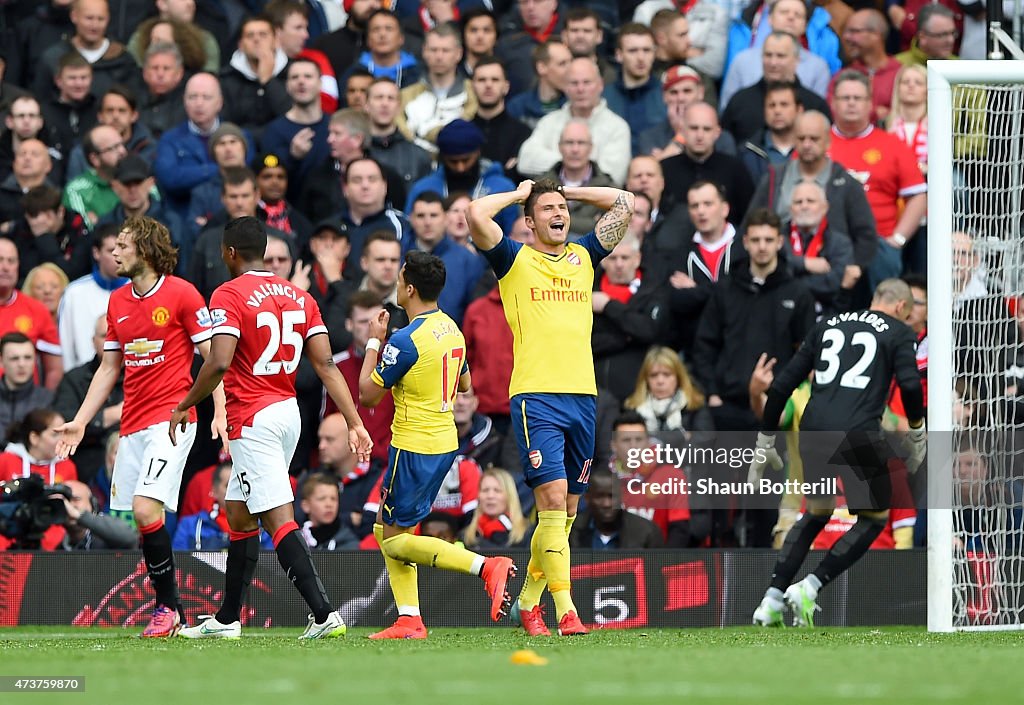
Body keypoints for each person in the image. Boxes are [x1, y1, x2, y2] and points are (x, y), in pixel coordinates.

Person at [171, 215, 372, 640]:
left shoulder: (227, 294)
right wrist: (354, 421)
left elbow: (220, 361)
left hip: (253, 418)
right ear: (262, 251)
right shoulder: (299, 296)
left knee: (278, 518)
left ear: (228, 253)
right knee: (240, 515)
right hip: (287, 413)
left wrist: (185, 403)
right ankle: (227, 618)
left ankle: (323, 613)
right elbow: (326, 364)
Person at [468, 177, 635, 636]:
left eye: (562, 208)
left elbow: (626, 204)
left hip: (583, 396)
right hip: (536, 396)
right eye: (547, 209)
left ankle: (527, 602)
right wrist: (522, 194)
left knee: (566, 513)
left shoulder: (583, 256)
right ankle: (567, 611)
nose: (558, 214)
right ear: (529, 222)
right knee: (553, 501)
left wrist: (571, 191)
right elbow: (475, 215)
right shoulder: (514, 260)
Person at [55, 215, 227, 639]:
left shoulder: (183, 294)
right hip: (132, 423)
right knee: (139, 520)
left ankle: (167, 608)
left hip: (172, 419)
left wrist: (219, 410)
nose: (113, 252)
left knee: (146, 509)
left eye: (122, 246)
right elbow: (109, 368)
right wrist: (80, 419)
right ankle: (171, 609)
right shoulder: (117, 302)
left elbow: (211, 359)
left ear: (146, 250)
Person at [357, 250, 516, 639]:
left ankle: (484, 567)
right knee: (389, 529)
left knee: (393, 541)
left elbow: (367, 395)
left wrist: (374, 344)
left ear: (409, 288)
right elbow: (464, 385)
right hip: (445, 441)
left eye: (399, 279)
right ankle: (408, 618)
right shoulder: (452, 328)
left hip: (414, 444)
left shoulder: (405, 340)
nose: (396, 284)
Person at [750, 278, 926, 627]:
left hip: (813, 432)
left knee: (816, 513)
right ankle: (810, 587)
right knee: (874, 518)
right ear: (902, 308)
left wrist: (765, 440)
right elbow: (908, 383)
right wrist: (918, 430)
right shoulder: (899, 331)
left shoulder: (827, 324)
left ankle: (770, 601)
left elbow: (783, 385)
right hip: (858, 434)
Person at [463, 467, 534, 549]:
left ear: (509, 495)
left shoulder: (528, 534)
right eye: (485, 490)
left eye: (497, 490)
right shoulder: (466, 536)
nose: (490, 496)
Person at [56, 479, 138, 550]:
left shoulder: (106, 538)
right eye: (65, 501)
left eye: (76, 499)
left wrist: (79, 515)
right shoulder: (60, 549)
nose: (69, 506)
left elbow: (130, 538)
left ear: (93, 504)